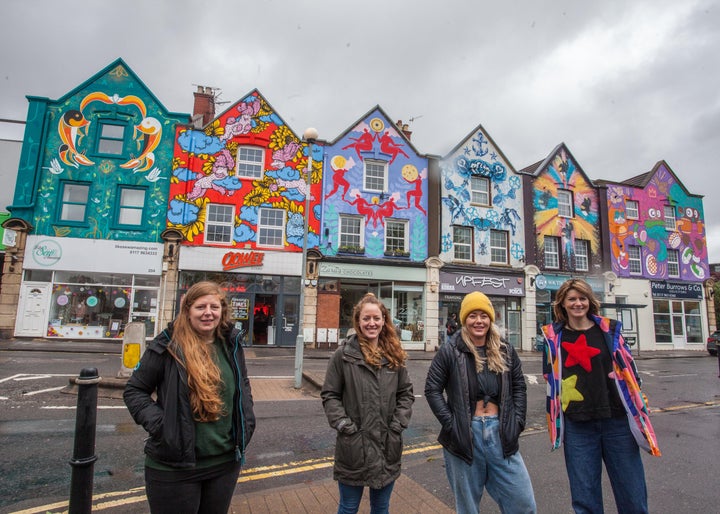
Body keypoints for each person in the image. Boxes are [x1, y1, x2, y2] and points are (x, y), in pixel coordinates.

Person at [124, 281, 255, 514]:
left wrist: (248, 419)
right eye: (200, 307)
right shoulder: (167, 345)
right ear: (187, 311)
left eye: (214, 307)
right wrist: (162, 426)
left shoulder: (231, 344)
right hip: (174, 466)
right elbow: (135, 390)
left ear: (222, 311)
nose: (208, 313)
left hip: (225, 463)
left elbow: (243, 383)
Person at [541, 278, 661, 514]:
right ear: (562, 303)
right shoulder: (553, 338)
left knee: (633, 497)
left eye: (582, 298)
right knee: (585, 501)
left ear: (590, 301)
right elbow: (549, 377)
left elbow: (631, 370)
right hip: (578, 426)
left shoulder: (610, 331)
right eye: (572, 299)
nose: (578, 303)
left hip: (616, 421)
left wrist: (624, 378)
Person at [425, 291, 536, 514]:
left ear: (490, 318)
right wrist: (452, 424)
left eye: (483, 315)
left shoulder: (505, 350)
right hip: (465, 437)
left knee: (523, 504)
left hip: (501, 433)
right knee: (467, 508)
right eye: (473, 315)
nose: (479, 321)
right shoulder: (451, 350)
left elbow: (519, 387)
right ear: (465, 319)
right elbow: (432, 389)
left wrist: (517, 422)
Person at [321, 293, 414, 514]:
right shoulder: (343, 355)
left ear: (384, 320)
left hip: (387, 445)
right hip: (353, 447)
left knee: (381, 508)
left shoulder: (394, 355)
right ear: (358, 321)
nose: (371, 323)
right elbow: (330, 395)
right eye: (366, 319)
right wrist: (344, 425)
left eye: (376, 318)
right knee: (348, 507)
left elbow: (406, 394)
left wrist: (397, 425)